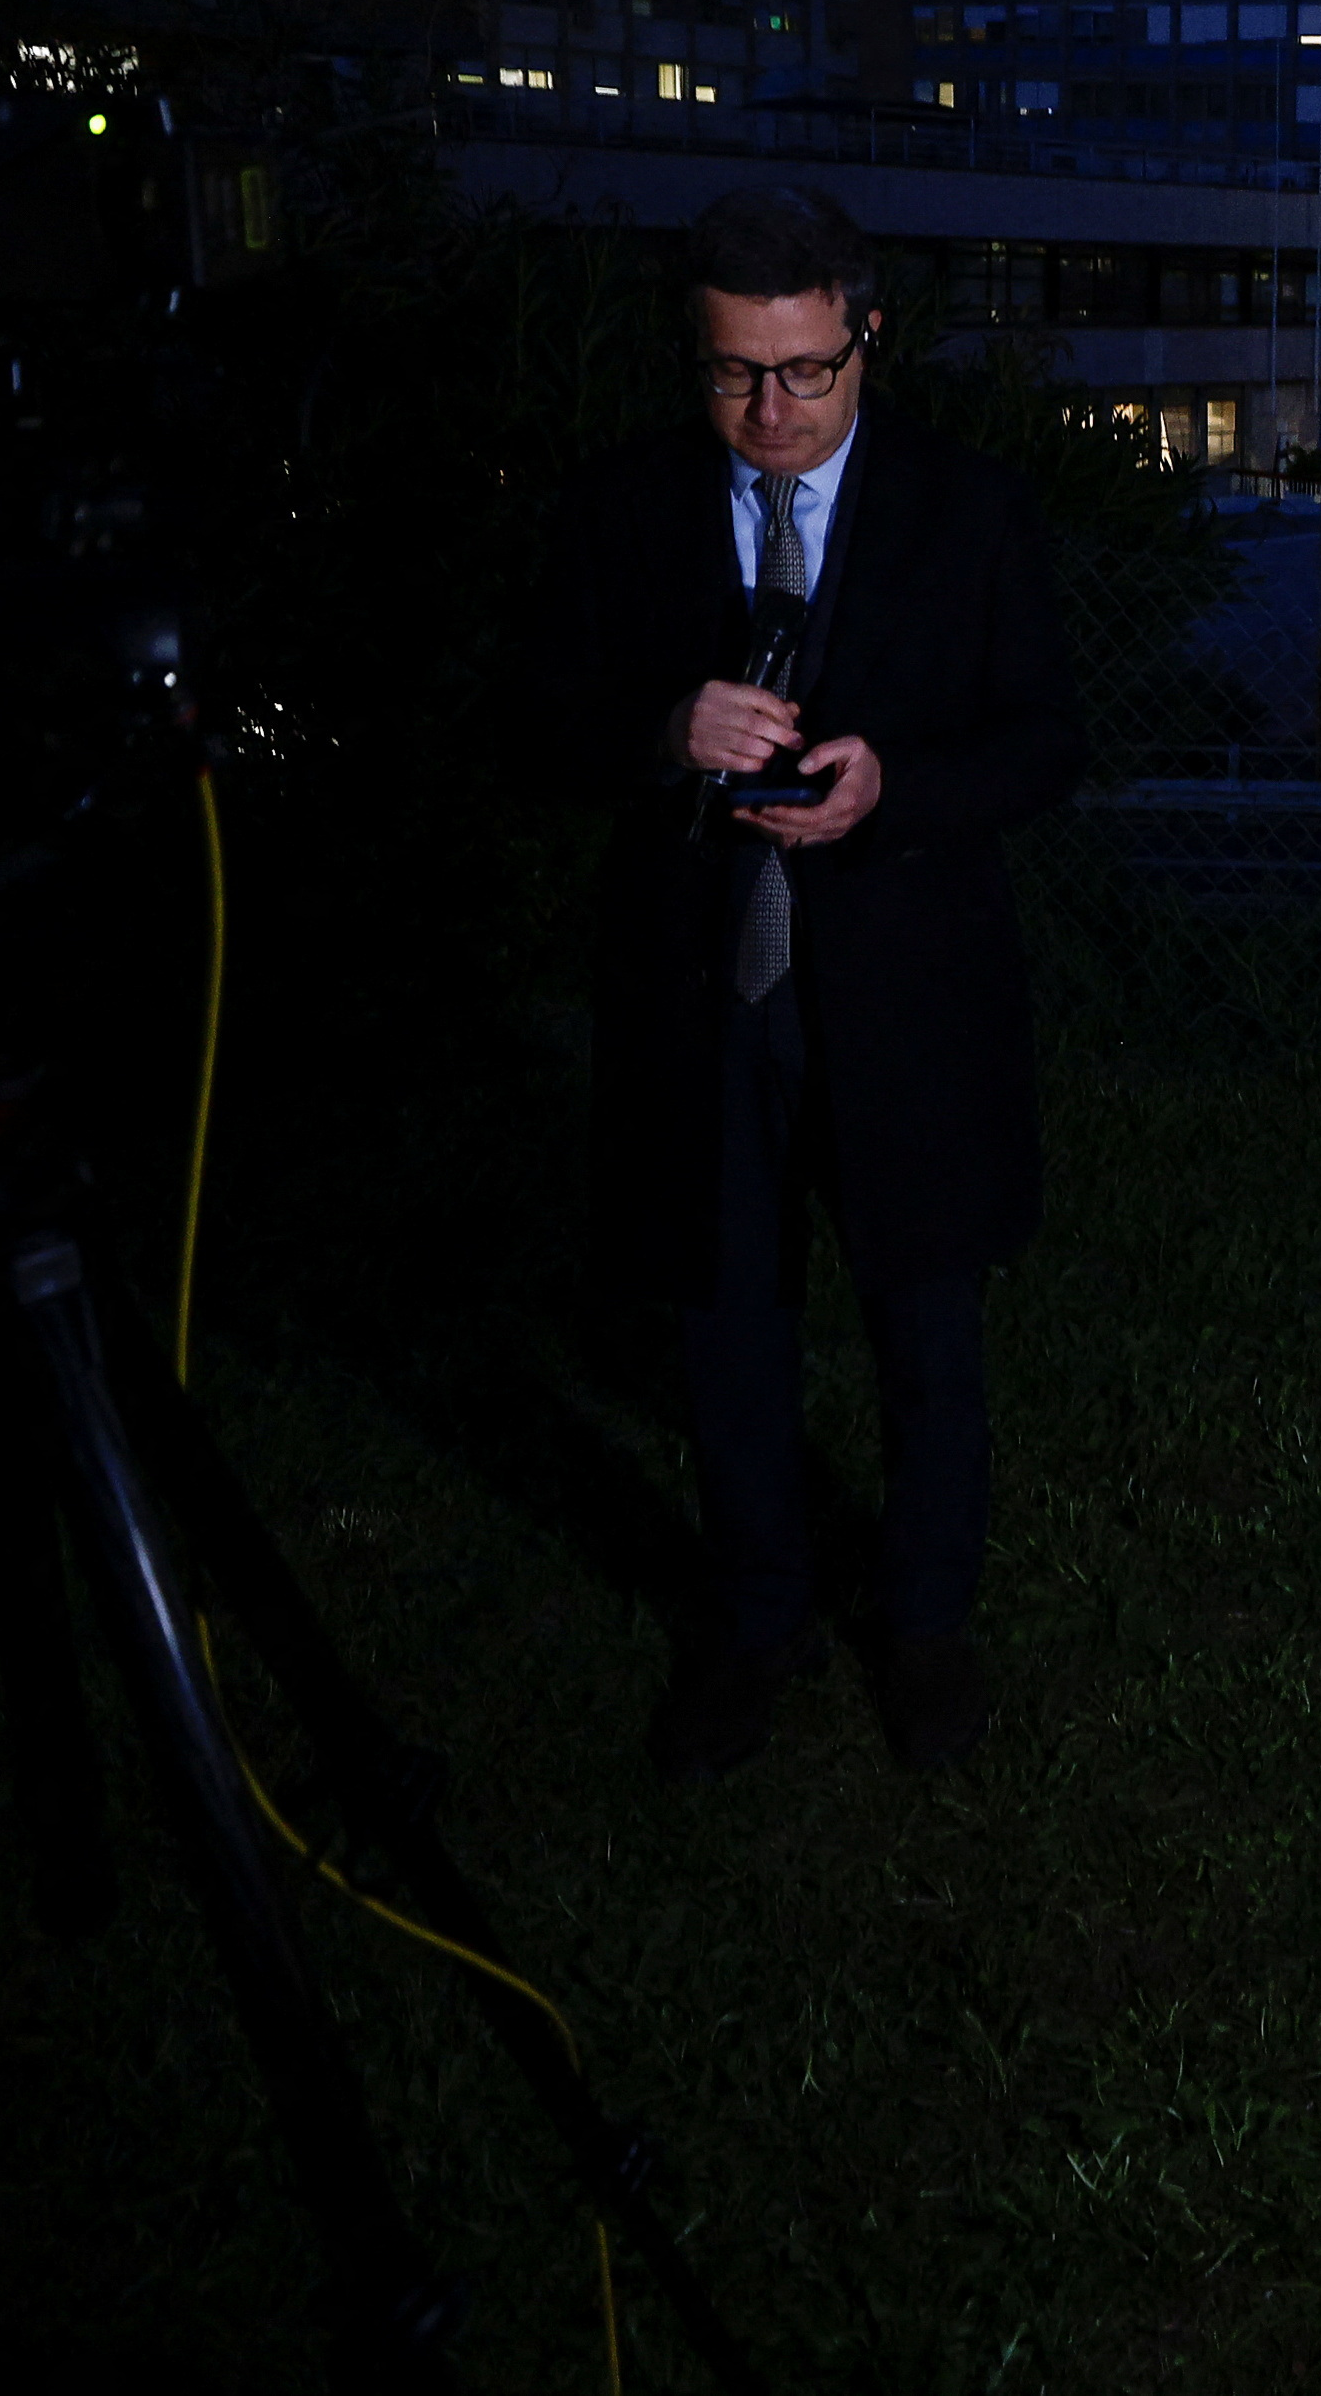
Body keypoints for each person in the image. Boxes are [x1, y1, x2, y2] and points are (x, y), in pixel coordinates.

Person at [536, 187, 1085, 1779]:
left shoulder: (968, 508)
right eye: (730, 375)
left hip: (906, 997)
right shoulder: (622, 505)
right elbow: (530, 714)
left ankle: (924, 1627)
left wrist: (888, 790)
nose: (767, 412)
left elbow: (1047, 739)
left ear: (867, 340)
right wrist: (661, 730)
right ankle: (755, 1622)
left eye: (801, 373)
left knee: (926, 1324)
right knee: (726, 1327)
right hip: (700, 993)